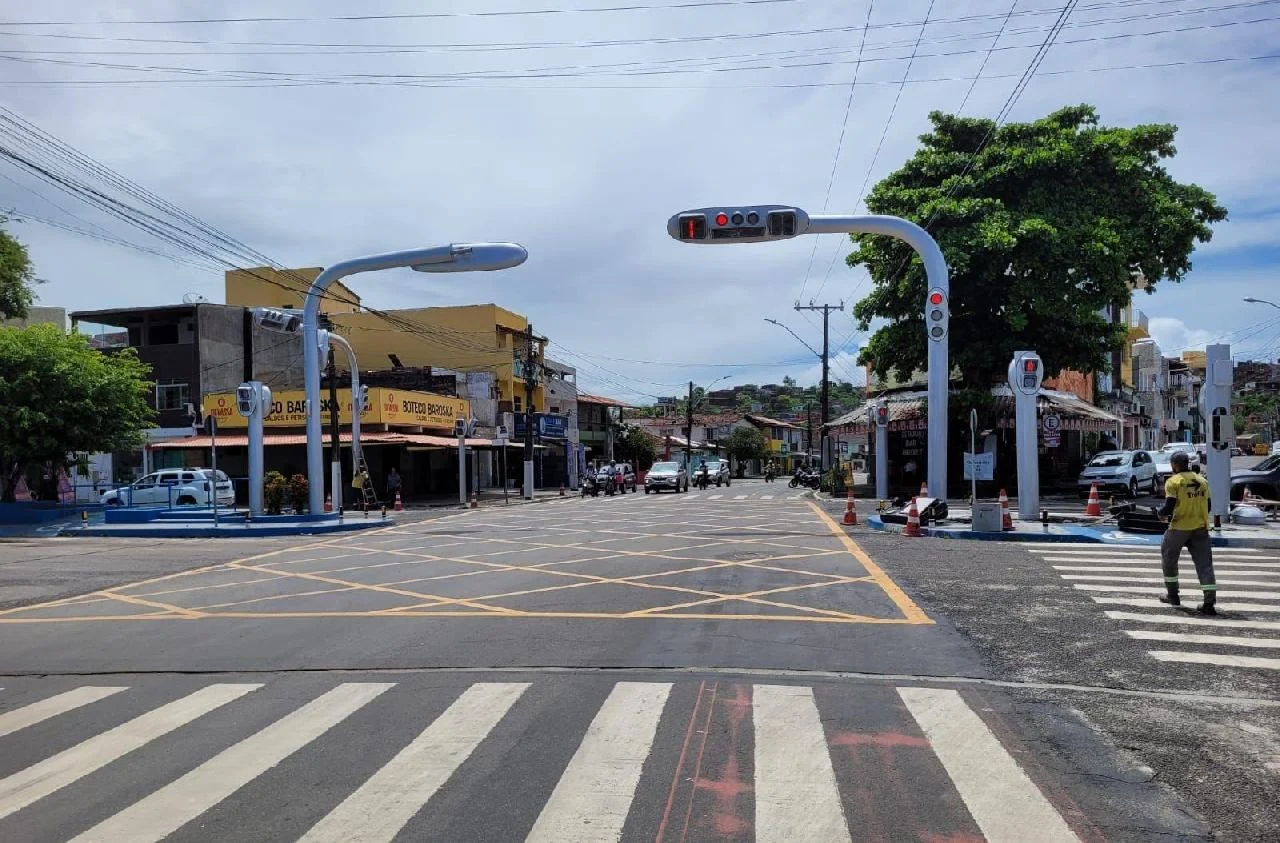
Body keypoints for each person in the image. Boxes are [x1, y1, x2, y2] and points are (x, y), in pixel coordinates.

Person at [1158, 450, 1217, 615]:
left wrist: (1160, 513)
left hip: (1178, 528)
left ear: (1174, 465)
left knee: (1169, 561)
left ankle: (1173, 596)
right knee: (1205, 565)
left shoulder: (1173, 482)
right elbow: (1209, 506)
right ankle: (1209, 603)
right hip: (1200, 528)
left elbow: (1169, 506)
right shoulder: (1202, 481)